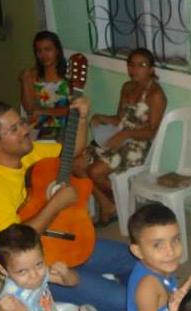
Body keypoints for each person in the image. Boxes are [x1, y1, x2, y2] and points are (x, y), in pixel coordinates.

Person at [0, 100, 136, 311]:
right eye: (14, 129)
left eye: (22, 123)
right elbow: (16, 244)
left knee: (134, 259)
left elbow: (73, 151)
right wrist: (55, 205)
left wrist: (83, 117)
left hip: (62, 239)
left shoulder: (28, 152)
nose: (25, 130)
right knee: (118, 299)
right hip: (33, 271)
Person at [73, 48, 167, 227]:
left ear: (151, 69)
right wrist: (101, 117)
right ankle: (107, 204)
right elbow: (119, 119)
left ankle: (126, 204)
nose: (135, 69)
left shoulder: (156, 95)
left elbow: (153, 131)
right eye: (131, 65)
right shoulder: (127, 87)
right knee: (76, 164)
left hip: (136, 145)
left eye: (142, 65)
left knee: (95, 172)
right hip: (118, 136)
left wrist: (127, 134)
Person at [126, 202, 191, 311]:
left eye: (175, 240)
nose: (170, 251)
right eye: (158, 245)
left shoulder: (159, 267)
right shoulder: (148, 285)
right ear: (138, 251)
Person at [20, 30, 70, 139]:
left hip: (64, 129)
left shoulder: (69, 76)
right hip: (39, 129)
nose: (43, 55)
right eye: (39, 51)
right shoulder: (33, 76)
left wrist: (43, 111)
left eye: (48, 50)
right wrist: (25, 81)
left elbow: (72, 110)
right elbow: (29, 109)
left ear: (57, 50)